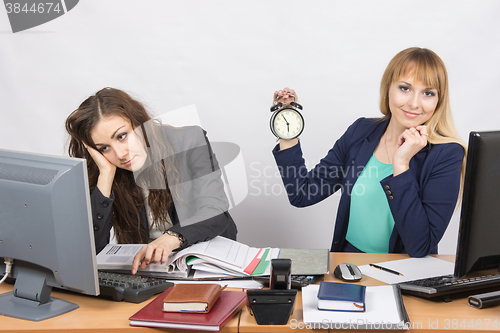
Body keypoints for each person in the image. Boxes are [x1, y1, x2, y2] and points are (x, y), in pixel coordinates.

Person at [272, 47, 466, 257]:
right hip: (348, 264)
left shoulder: (447, 155)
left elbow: (420, 247)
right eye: (405, 88)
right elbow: (303, 193)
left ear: (439, 100)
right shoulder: (361, 131)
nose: (414, 103)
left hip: (403, 274)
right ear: (388, 88)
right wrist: (287, 128)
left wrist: (401, 165)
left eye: (428, 93)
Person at [66, 87, 237, 274]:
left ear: (139, 123)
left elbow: (215, 210)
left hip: (206, 265)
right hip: (149, 273)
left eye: (122, 136)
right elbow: (92, 252)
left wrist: (171, 238)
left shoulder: (189, 141)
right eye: (104, 148)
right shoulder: (105, 168)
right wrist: (106, 175)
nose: (120, 154)